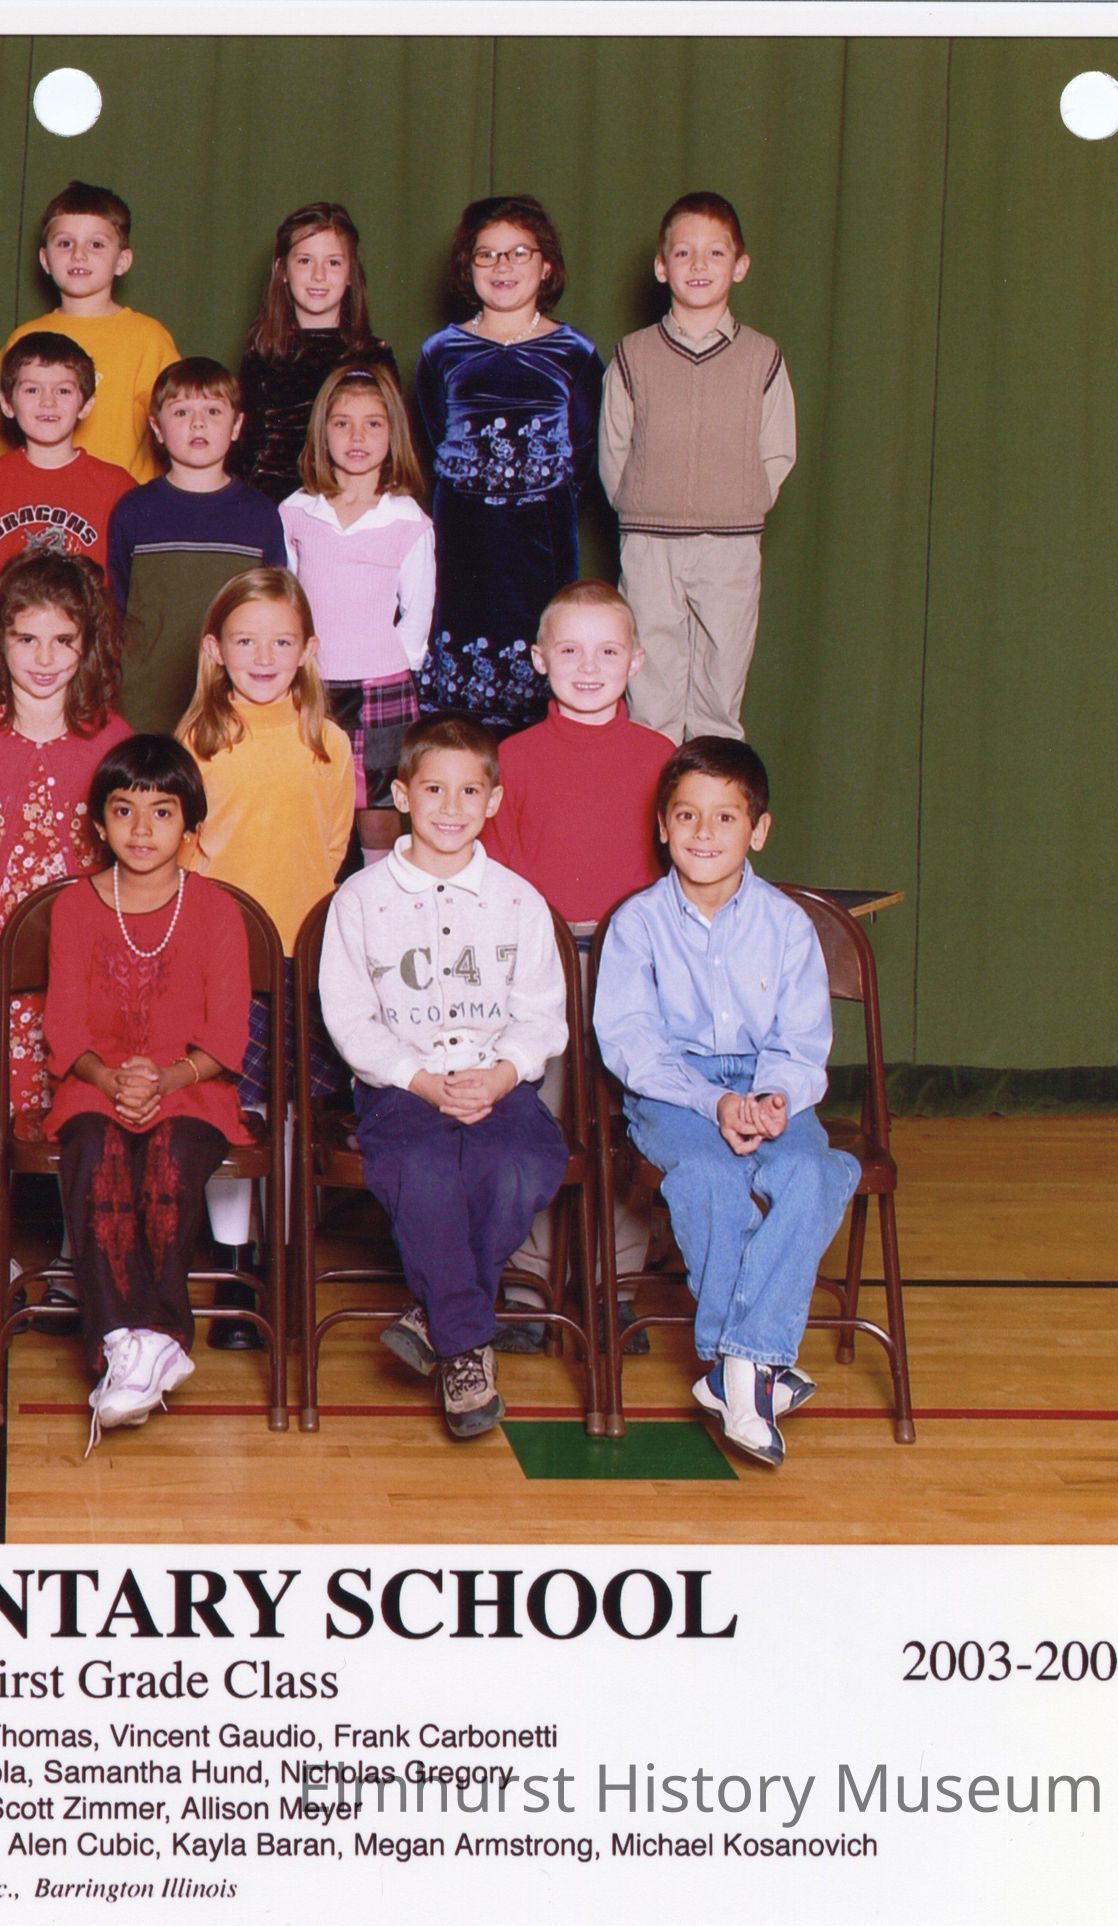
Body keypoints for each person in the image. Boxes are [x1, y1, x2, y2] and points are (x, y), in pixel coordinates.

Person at [593, 736, 859, 1466]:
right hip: (674, 1090)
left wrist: (773, 1098)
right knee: (709, 1176)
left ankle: (733, 1370)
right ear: (662, 826)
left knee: (811, 1171)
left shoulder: (786, 925)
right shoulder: (638, 924)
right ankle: (754, 1368)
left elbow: (801, 1041)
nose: (704, 834)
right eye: (687, 816)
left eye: (725, 818)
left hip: (768, 1080)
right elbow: (632, 1044)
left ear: (758, 831)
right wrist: (713, 1102)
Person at [318, 716, 570, 1437]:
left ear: (494, 801)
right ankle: (466, 1348)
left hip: (496, 1082)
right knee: (424, 1172)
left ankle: (437, 1319)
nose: (451, 807)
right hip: (401, 1089)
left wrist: (501, 1076)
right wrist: (420, 1079)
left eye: (469, 791)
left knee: (519, 1165)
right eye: (433, 789)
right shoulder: (360, 900)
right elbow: (351, 1018)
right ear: (402, 794)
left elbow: (541, 1016)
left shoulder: (519, 901)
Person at [482, 579, 675, 1351]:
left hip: (632, 967)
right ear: (538, 659)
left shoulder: (661, 758)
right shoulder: (511, 758)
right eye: (568, 650)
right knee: (532, 1119)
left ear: (636, 660)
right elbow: (496, 875)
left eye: (606, 652)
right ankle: (527, 1283)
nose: (588, 668)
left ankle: (613, 1284)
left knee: (627, 1123)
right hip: (539, 965)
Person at [43, 735, 251, 1443]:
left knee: (167, 1159)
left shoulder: (216, 909)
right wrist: (110, 1078)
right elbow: (64, 1027)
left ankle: (152, 1337)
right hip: (94, 1083)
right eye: (123, 810)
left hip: (191, 1085)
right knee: (97, 1155)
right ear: (98, 823)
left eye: (161, 813)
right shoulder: (75, 907)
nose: (140, 829)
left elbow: (226, 1035)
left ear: (189, 826)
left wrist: (167, 1078)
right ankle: (126, 1344)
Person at [176, 566, 352, 1340]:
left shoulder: (327, 742)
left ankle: (281, 1260)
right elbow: (181, 854)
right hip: (222, 966)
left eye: (281, 642)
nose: (263, 656)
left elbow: (333, 846)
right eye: (245, 641)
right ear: (214, 649)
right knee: (232, 1113)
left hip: (301, 966)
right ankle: (233, 1264)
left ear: (307, 650)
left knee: (290, 1113)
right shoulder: (198, 742)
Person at [0, 550, 131, 1120]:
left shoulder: (110, 736)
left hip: (81, 943)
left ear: (88, 645)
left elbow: (123, 840)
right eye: (27, 640)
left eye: (63, 641)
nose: (45, 659)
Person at [601, 192, 796, 743]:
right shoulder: (633, 355)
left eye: (715, 253)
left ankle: (712, 796)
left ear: (740, 266)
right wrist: (641, 505)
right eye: (683, 253)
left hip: (730, 545)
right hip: (649, 543)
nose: (699, 265)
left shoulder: (762, 357)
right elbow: (614, 449)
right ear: (661, 267)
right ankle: (655, 795)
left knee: (720, 688)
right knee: (651, 694)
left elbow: (778, 450)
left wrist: (741, 502)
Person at [412, 195, 604, 737]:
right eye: (487, 254)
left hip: (540, 546)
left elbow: (584, 456)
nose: (503, 266)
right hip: (463, 545)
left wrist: (530, 497)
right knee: (459, 723)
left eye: (519, 253)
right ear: (466, 266)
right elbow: (433, 439)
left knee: (542, 692)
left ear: (546, 266)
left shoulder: (576, 353)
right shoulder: (440, 353)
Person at [277, 359, 436, 837]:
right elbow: (285, 600)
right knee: (308, 802)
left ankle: (377, 876)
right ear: (322, 432)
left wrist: (393, 664)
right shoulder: (297, 511)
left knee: (379, 806)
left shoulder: (407, 520)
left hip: (381, 685)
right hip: (310, 682)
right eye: (342, 424)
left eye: (373, 424)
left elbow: (418, 612)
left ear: (393, 433)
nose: (357, 437)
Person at [105, 358, 288, 734]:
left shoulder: (260, 514)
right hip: (145, 709)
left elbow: (274, 614)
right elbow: (115, 610)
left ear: (237, 426)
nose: (198, 423)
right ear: (157, 428)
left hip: (232, 710)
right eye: (181, 412)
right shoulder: (133, 510)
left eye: (213, 411)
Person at [0, 182, 178, 484]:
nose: (78, 255)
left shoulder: (148, 339)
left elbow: (174, 429)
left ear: (122, 261)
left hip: (125, 501)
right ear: (45, 259)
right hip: (43, 500)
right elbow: (4, 443)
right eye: (64, 243)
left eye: (96, 244)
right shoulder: (23, 339)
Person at [231, 202, 399, 501]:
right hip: (272, 508)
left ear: (351, 273)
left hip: (346, 509)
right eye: (305, 261)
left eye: (333, 262)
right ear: (282, 269)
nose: (319, 275)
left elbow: (392, 452)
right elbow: (245, 450)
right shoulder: (261, 355)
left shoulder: (374, 357)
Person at [0, 331, 135, 569]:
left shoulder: (115, 486)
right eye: (32, 390)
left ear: (86, 405)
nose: (48, 401)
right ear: (6, 404)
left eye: (63, 391)